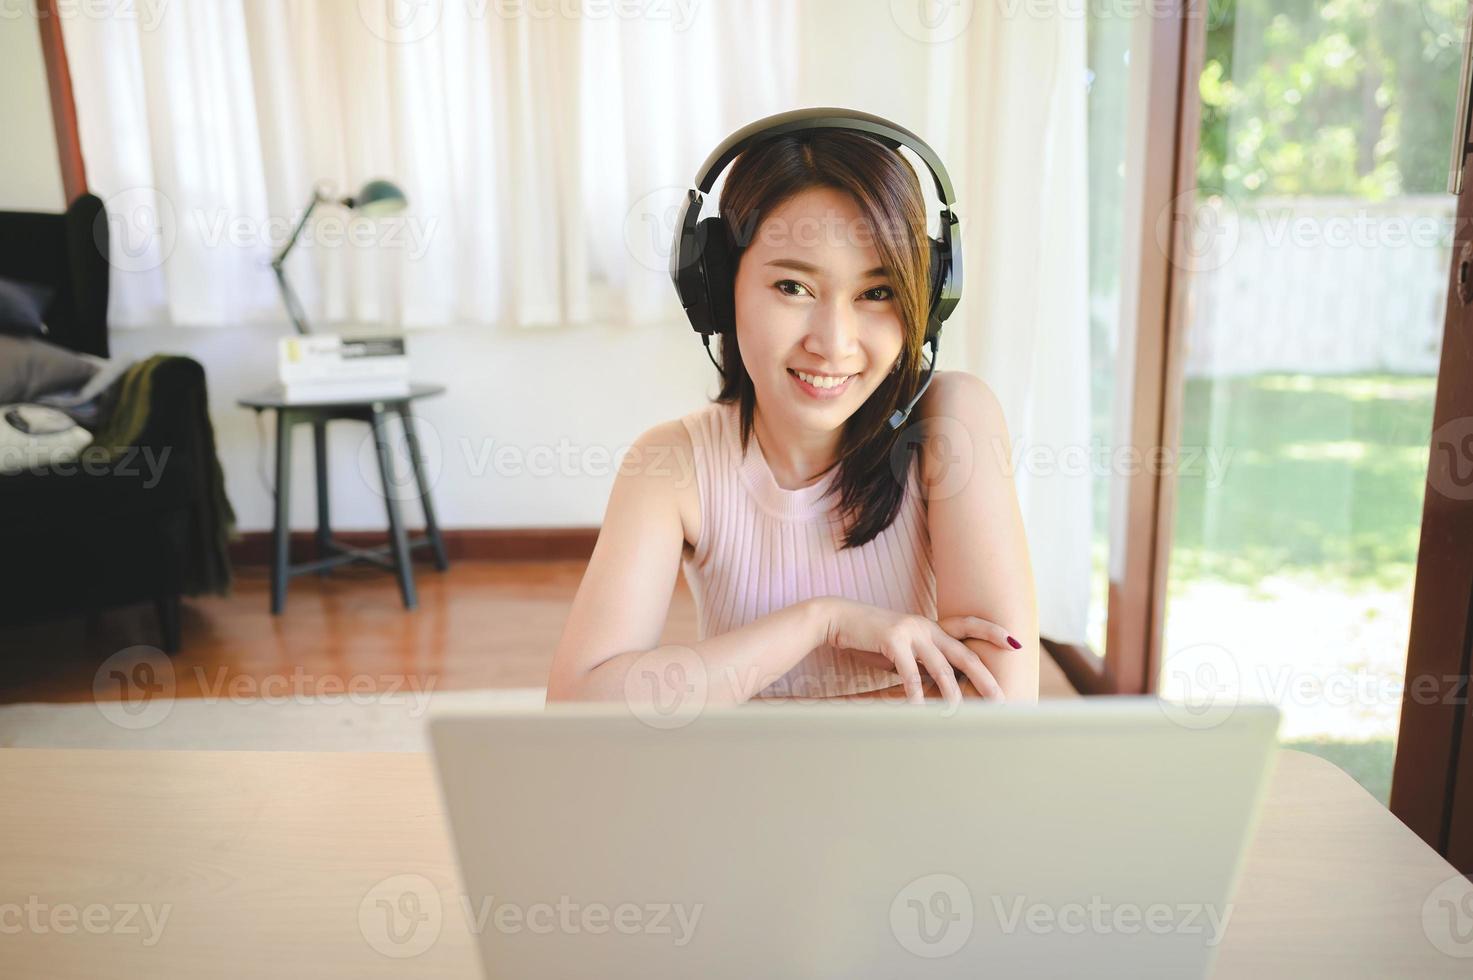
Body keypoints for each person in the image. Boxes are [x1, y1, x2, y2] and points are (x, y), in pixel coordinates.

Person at [546, 119, 1038, 707]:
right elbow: (580, 706)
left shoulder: (953, 421)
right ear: (719, 287)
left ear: (924, 300)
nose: (834, 343)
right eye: (794, 288)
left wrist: (727, 710)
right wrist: (821, 622)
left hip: (912, 797)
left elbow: (997, 707)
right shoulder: (670, 464)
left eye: (877, 293)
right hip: (752, 799)